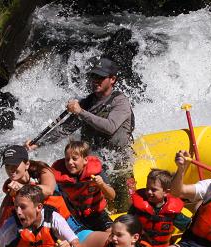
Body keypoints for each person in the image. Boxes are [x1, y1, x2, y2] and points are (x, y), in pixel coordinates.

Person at [26, 57, 134, 212]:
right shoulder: (87, 103)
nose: (95, 81)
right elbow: (65, 129)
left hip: (118, 161)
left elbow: (110, 127)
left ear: (112, 79)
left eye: (100, 77)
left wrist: (81, 112)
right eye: (93, 77)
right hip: (93, 161)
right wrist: (39, 143)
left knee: (123, 204)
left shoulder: (120, 101)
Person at [51, 139, 115, 231]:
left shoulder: (96, 173)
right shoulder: (59, 176)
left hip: (97, 215)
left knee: (111, 235)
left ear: (85, 160)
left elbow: (112, 196)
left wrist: (102, 185)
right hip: (75, 219)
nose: (70, 162)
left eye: (74, 159)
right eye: (67, 159)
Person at [128, 168, 191, 247]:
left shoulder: (172, 212)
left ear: (165, 192)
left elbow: (188, 227)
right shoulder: (137, 207)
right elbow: (126, 222)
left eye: (154, 190)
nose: (149, 192)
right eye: (147, 188)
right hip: (139, 246)